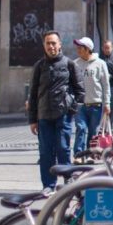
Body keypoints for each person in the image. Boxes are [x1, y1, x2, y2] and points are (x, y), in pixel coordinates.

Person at [28, 31, 84, 192]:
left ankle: (69, 183)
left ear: (60, 44)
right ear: (44, 46)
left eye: (54, 43)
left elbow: (80, 91)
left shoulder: (69, 64)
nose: (51, 46)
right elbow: (32, 94)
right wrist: (32, 119)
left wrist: (71, 109)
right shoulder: (39, 66)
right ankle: (48, 185)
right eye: (48, 43)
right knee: (45, 152)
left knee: (63, 148)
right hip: (43, 116)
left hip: (63, 115)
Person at [72, 37, 110, 160]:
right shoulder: (75, 64)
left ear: (87, 49)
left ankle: (90, 155)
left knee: (93, 132)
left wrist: (107, 103)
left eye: (80, 47)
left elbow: (105, 85)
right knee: (81, 129)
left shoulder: (100, 63)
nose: (77, 49)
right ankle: (78, 155)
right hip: (80, 105)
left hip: (96, 104)